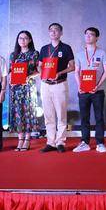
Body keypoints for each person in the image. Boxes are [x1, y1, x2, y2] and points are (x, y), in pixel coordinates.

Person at [39, 23, 75, 153]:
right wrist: (43, 74)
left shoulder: (66, 48)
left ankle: (60, 142)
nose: (53, 32)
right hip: (45, 85)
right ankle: (50, 142)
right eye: (51, 30)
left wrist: (59, 73)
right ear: (49, 33)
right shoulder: (44, 49)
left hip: (60, 84)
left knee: (61, 114)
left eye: (56, 30)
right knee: (48, 115)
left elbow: (72, 66)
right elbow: (39, 66)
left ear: (61, 33)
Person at [73, 27, 106, 153]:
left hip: (98, 91)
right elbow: (76, 71)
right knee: (84, 117)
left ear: (97, 37)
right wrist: (80, 86)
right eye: (86, 34)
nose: (88, 36)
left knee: (99, 117)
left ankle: (100, 143)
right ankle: (84, 142)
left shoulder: (102, 52)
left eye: (91, 34)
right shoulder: (79, 54)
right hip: (83, 91)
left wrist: (97, 86)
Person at [8, 30, 40, 152]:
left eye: (25, 38)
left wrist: (29, 77)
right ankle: (20, 139)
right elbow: (10, 71)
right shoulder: (13, 55)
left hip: (28, 87)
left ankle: (27, 139)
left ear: (30, 40)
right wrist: (10, 79)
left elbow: (39, 71)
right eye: (20, 38)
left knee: (27, 112)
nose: (22, 40)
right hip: (15, 88)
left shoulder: (34, 54)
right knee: (18, 112)